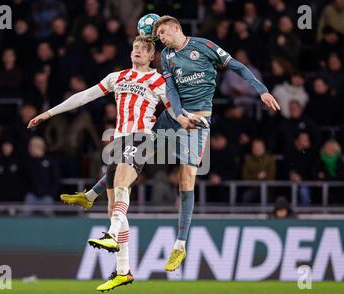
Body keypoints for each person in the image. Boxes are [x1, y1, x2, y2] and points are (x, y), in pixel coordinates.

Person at [61, 15, 280, 274]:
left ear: (176, 28)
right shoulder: (166, 57)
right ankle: (90, 196)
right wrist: (178, 114)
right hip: (173, 116)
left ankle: (180, 244)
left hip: (198, 122)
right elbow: (172, 91)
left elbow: (240, 68)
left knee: (186, 180)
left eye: (163, 33)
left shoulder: (205, 47)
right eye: (158, 36)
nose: (161, 39)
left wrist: (262, 89)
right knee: (134, 149)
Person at [27, 36, 201, 292]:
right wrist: (49, 113)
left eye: (143, 49)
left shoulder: (157, 80)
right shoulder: (116, 78)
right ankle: (123, 272)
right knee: (114, 208)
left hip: (141, 137)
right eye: (135, 48)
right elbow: (84, 96)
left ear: (152, 57)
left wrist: (185, 119)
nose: (138, 51)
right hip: (118, 141)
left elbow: (173, 108)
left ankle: (110, 234)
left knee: (121, 183)